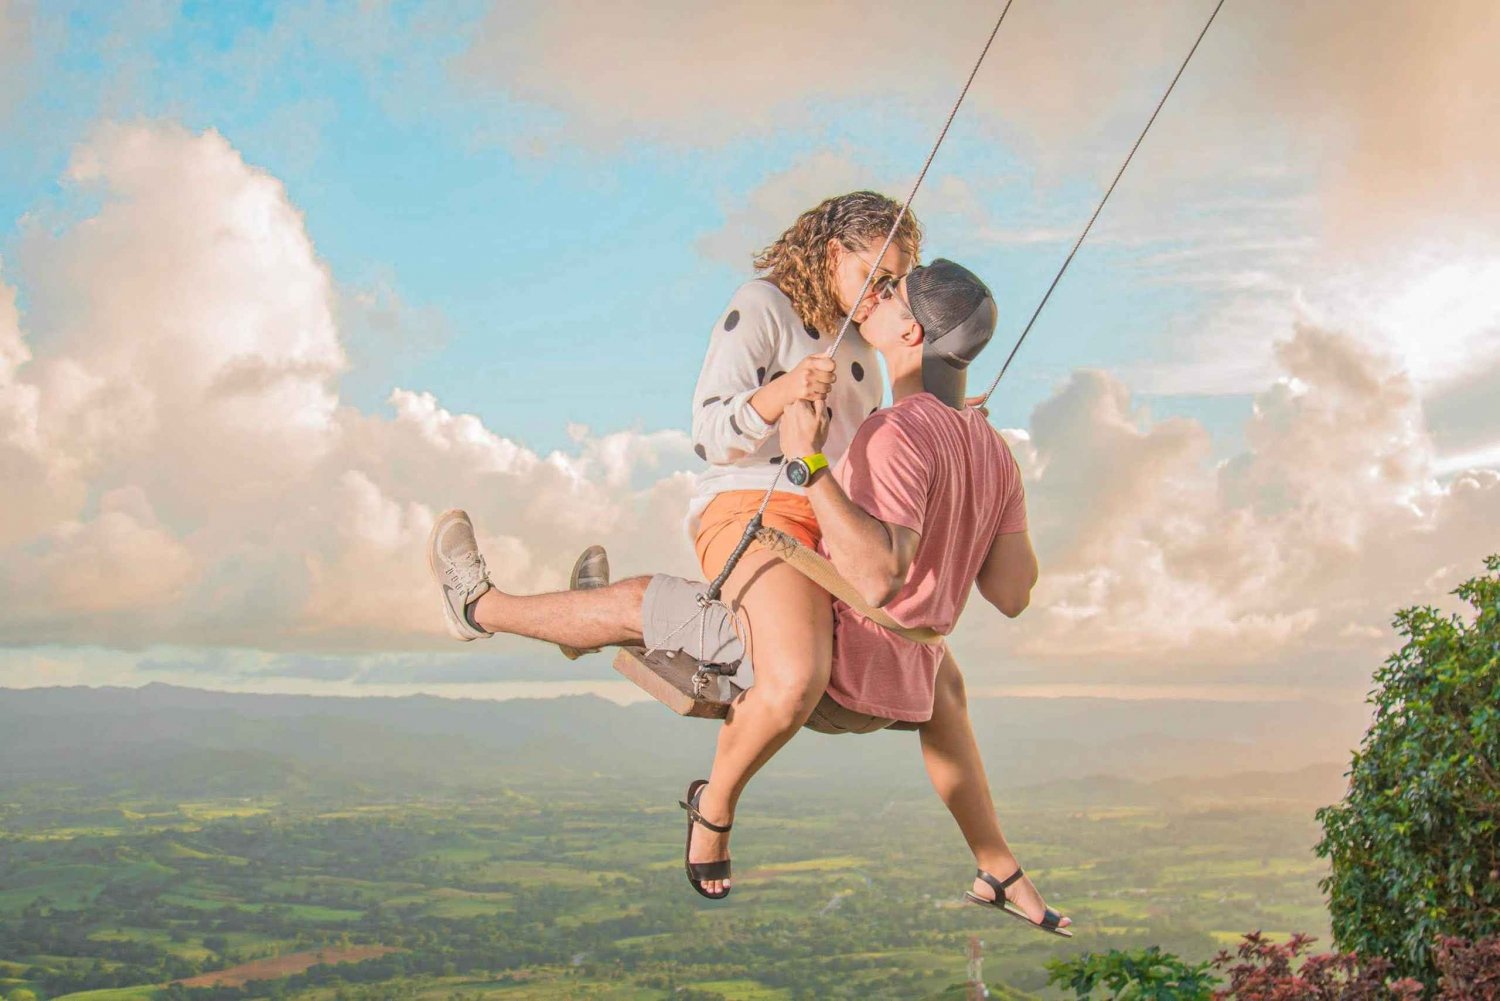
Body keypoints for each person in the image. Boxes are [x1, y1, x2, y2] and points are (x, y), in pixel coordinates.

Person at [427, 259, 1071, 935]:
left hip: (836, 675)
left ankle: (478, 604)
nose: (874, 297)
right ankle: (996, 865)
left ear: (909, 330)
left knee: (647, 603)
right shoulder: (992, 449)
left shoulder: (896, 431)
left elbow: (878, 573)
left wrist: (808, 462)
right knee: (937, 681)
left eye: (891, 294)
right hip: (900, 689)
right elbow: (1012, 591)